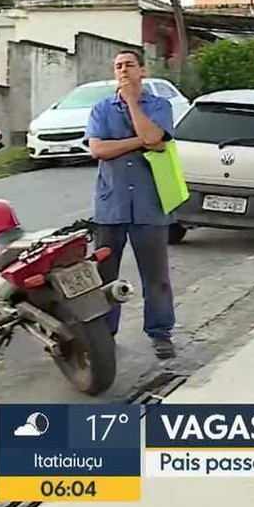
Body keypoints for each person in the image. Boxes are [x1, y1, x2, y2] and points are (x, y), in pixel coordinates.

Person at [84, 50, 178, 359]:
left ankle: (160, 332)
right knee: (105, 276)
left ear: (142, 70)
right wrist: (141, 142)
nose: (123, 70)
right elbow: (98, 150)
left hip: (151, 205)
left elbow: (155, 133)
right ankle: (105, 334)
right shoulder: (101, 109)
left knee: (155, 276)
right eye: (118, 66)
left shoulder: (159, 106)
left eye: (129, 65)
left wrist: (133, 104)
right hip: (112, 207)